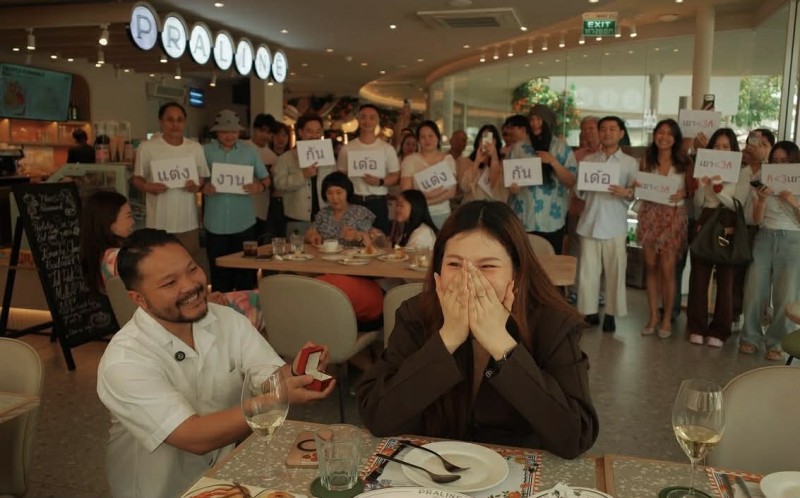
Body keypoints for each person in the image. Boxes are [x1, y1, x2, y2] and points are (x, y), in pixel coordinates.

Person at [96, 228, 334, 498]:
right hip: (160, 491)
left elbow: (268, 378)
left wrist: (296, 373)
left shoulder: (226, 319)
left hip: (222, 478)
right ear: (139, 299)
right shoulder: (124, 361)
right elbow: (194, 437)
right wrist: (276, 399)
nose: (190, 285)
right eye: (169, 283)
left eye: (192, 269)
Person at [356, 200, 598, 458]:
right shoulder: (415, 314)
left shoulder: (552, 322)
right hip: (433, 466)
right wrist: (448, 339)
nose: (468, 279)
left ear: (516, 272)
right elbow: (377, 415)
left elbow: (575, 436)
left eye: (487, 266)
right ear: (438, 269)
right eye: (454, 264)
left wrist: (501, 344)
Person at [79, 191, 262, 330]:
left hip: (157, 320)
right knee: (259, 300)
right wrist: (204, 299)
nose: (133, 221)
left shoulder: (103, 259)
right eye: (128, 216)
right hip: (174, 319)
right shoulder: (121, 259)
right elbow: (167, 294)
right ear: (109, 223)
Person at [686, 128, 750, 347]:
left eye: (726, 146)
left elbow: (737, 204)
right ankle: (696, 327)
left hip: (728, 224)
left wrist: (719, 189)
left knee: (726, 278)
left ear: (733, 149)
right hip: (706, 220)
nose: (721, 150)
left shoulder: (742, 171)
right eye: (717, 145)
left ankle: (720, 330)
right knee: (699, 276)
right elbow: (698, 204)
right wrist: (702, 187)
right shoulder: (704, 166)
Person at [575, 116, 639, 333]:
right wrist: (583, 186)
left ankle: (611, 314)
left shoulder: (630, 163)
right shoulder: (589, 161)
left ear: (621, 134)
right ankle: (589, 311)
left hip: (615, 224)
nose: (607, 133)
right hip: (589, 222)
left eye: (612, 129)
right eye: (603, 129)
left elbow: (635, 194)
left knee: (615, 271)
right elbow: (579, 192)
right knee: (587, 272)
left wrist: (627, 192)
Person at [739, 141, 800, 361]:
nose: (779, 164)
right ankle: (750, 337)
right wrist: (762, 200)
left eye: (785, 160)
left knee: (786, 295)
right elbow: (757, 220)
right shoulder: (764, 178)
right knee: (754, 290)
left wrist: (792, 201)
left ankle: (777, 343)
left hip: (793, 240)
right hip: (765, 236)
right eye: (775, 160)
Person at [132, 102, 209, 267]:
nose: (175, 124)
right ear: (161, 121)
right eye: (170, 120)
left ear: (185, 122)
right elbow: (137, 179)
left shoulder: (195, 148)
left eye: (180, 120)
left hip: (187, 221)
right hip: (158, 222)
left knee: (188, 265)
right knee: (160, 266)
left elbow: (201, 178)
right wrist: (147, 187)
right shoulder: (147, 147)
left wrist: (196, 186)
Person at [636, 119, 693, 338]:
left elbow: (693, 190)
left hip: (673, 216)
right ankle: (653, 316)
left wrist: (683, 193)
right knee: (651, 267)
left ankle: (667, 318)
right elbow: (639, 186)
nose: (664, 137)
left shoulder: (684, 162)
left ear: (675, 138)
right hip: (650, 215)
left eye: (669, 133)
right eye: (661, 132)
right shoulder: (646, 160)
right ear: (654, 135)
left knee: (668, 269)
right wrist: (637, 186)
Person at [202, 109, 270, 292]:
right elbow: (198, 180)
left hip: (245, 223)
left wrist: (259, 187)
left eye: (233, 131)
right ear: (217, 132)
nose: (229, 136)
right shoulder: (205, 151)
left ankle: (244, 307)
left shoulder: (250, 152)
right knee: (218, 273)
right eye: (224, 132)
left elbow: (266, 178)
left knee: (246, 271)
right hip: (215, 223)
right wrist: (203, 187)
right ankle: (221, 307)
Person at [305, 171, 384, 328]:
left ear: (347, 192)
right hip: (325, 266)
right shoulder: (322, 214)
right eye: (330, 193)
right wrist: (311, 235)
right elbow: (309, 234)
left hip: (355, 271)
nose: (334, 197)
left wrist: (357, 235)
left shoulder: (360, 212)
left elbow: (376, 243)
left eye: (339, 192)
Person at [505, 111, 577, 254]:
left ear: (548, 121)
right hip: (523, 218)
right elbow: (509, 181)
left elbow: (571, 181)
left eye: (539, 119)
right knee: (522, 261)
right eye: (532, 119)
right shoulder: (519, 148)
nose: (534, 123)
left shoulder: (561, 148)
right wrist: (513, 188)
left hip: (552, 221)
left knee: (550, 262)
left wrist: (553, 162)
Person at [337, 104, 401, 234]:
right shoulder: (347, 148)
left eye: (372, 118)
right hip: (354, 201)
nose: (367, 121)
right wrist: (351, 173)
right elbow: (340, 176)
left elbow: (396, 176)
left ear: (378, 120)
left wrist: (380, 182)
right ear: (358, 119)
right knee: (352, 238)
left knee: (379, 240)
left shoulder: (387, 149)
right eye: (363, 117)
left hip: (377, 202)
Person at [273, 114, 334, 231]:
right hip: (297, 217)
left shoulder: (327, 156)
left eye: (318, 131)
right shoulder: (286, 158)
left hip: (325, 215)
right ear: (300, 132)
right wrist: (303, 175)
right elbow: (279, 184)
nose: (314, 136)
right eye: (309, 131)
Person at [400, 120, 457, 228]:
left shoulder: (448, 159)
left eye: (431, 136)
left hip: (442, 214)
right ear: (418, 140)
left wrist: (424, 200)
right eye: (423, 137)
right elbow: (407, 193)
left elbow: (451, 192)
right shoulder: (410, 160)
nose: (427, 140)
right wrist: (428, 198)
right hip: (418, 215)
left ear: (438, 137)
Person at [246, 113, 279, 240]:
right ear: (254, 129)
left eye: (269, 132)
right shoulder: (242, 147)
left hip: (261, 207)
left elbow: (274, 184)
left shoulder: (273, 158)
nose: (265, 135)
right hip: (239, 205)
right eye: (262, 130)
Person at [456, 124, 506, 203]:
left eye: (490, 138)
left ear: (496, 142)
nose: (486, 142)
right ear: (478, 141)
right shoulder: (465, 161)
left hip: (494, 208)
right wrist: (477, 161)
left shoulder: (503, 164)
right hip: (472, 206)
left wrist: (494, 157)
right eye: (483, 138)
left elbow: (496, 188)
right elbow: (464, 187)